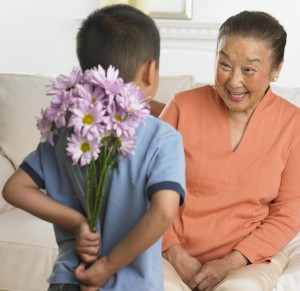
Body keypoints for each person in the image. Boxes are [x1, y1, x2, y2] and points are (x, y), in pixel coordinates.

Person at [2, 5, 186, 291]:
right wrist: (109, 265)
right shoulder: (163, 137)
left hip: (69, 278)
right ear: (150, 71)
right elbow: (163, 212)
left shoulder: (66, 131)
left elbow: (13, 189)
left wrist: (77, 222)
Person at [160, 10, 300, 291]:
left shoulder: (293, 124)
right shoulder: (182, 106)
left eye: (249, 69)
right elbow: (142, 185)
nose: (234, 81)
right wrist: (173, 251)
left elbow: (290, 209)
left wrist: (234, 261)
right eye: (224, 65)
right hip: (169, 250)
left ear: (276, 70)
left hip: (249, 259)